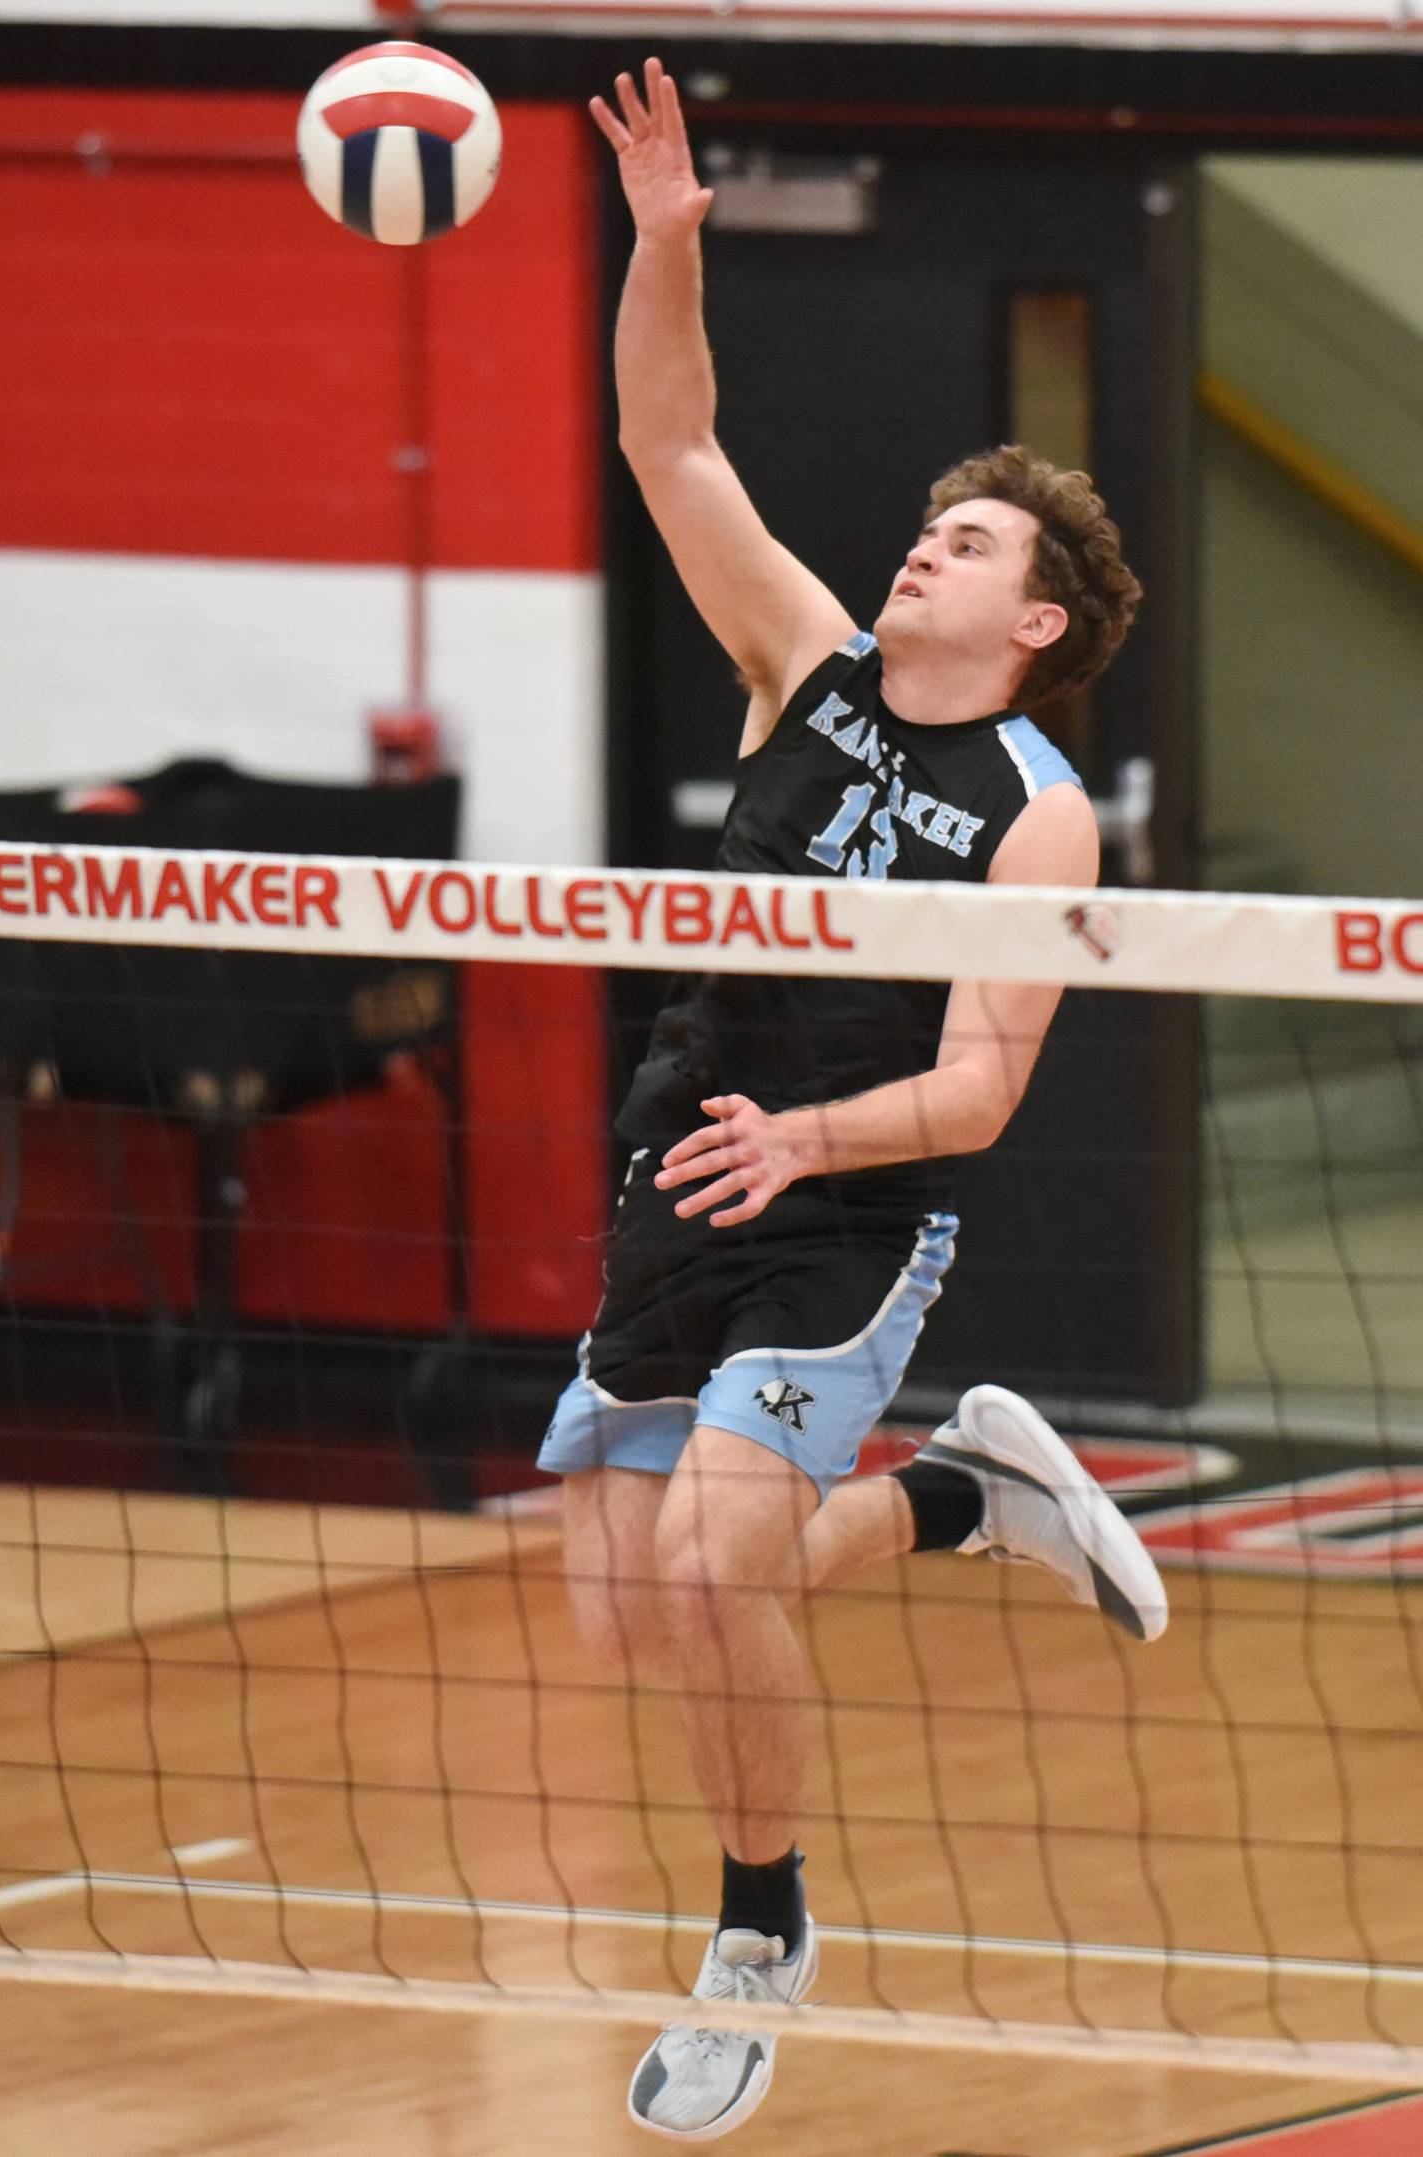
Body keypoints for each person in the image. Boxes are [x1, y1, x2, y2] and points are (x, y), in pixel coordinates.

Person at [537, 56, 1168, 2143]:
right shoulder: (798, 663)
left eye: (964, 540)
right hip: (681, 1149)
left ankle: (756, 1928)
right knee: (637, 1605)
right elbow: (670, 432)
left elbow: (982, 1085)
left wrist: (819, 1138)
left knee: (722, 1566)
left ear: (1038, 616)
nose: (921, 550)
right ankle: (966, 1500)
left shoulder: (1040, 815)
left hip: (847, 1198)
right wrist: (667, 243)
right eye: (922, 525)